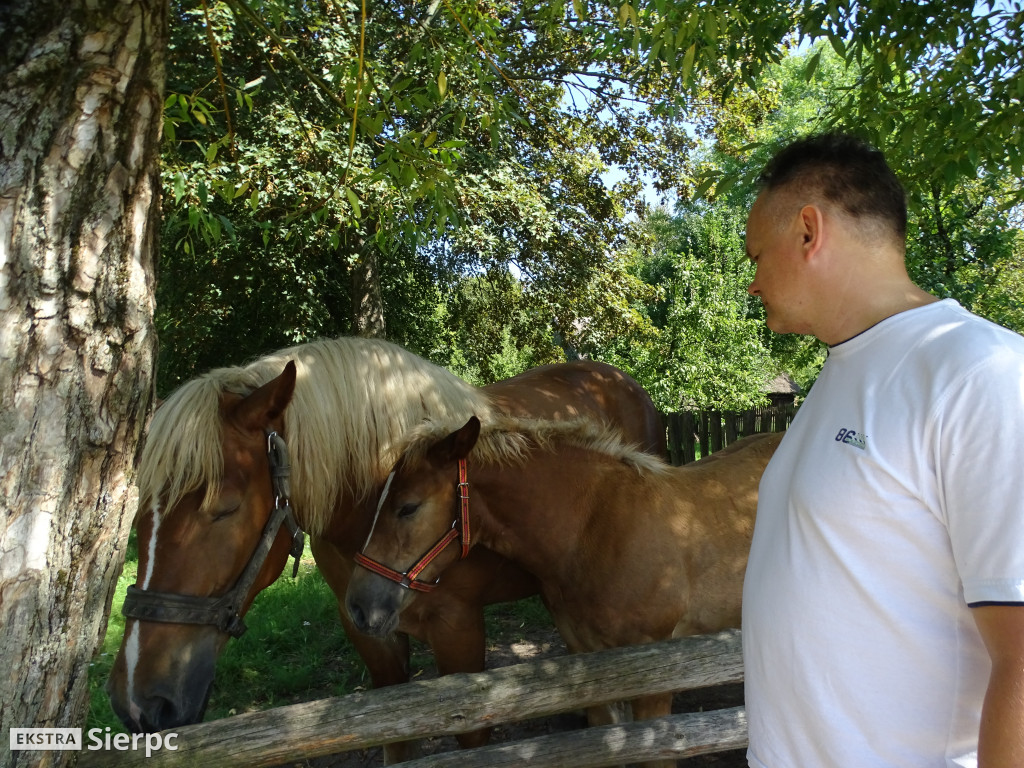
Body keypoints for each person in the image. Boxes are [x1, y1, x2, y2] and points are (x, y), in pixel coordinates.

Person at [741, 132, 1024, 768]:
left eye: (758, 255)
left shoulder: (979, 372)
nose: (754, 283)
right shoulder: (840, 375)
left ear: (809, 231)